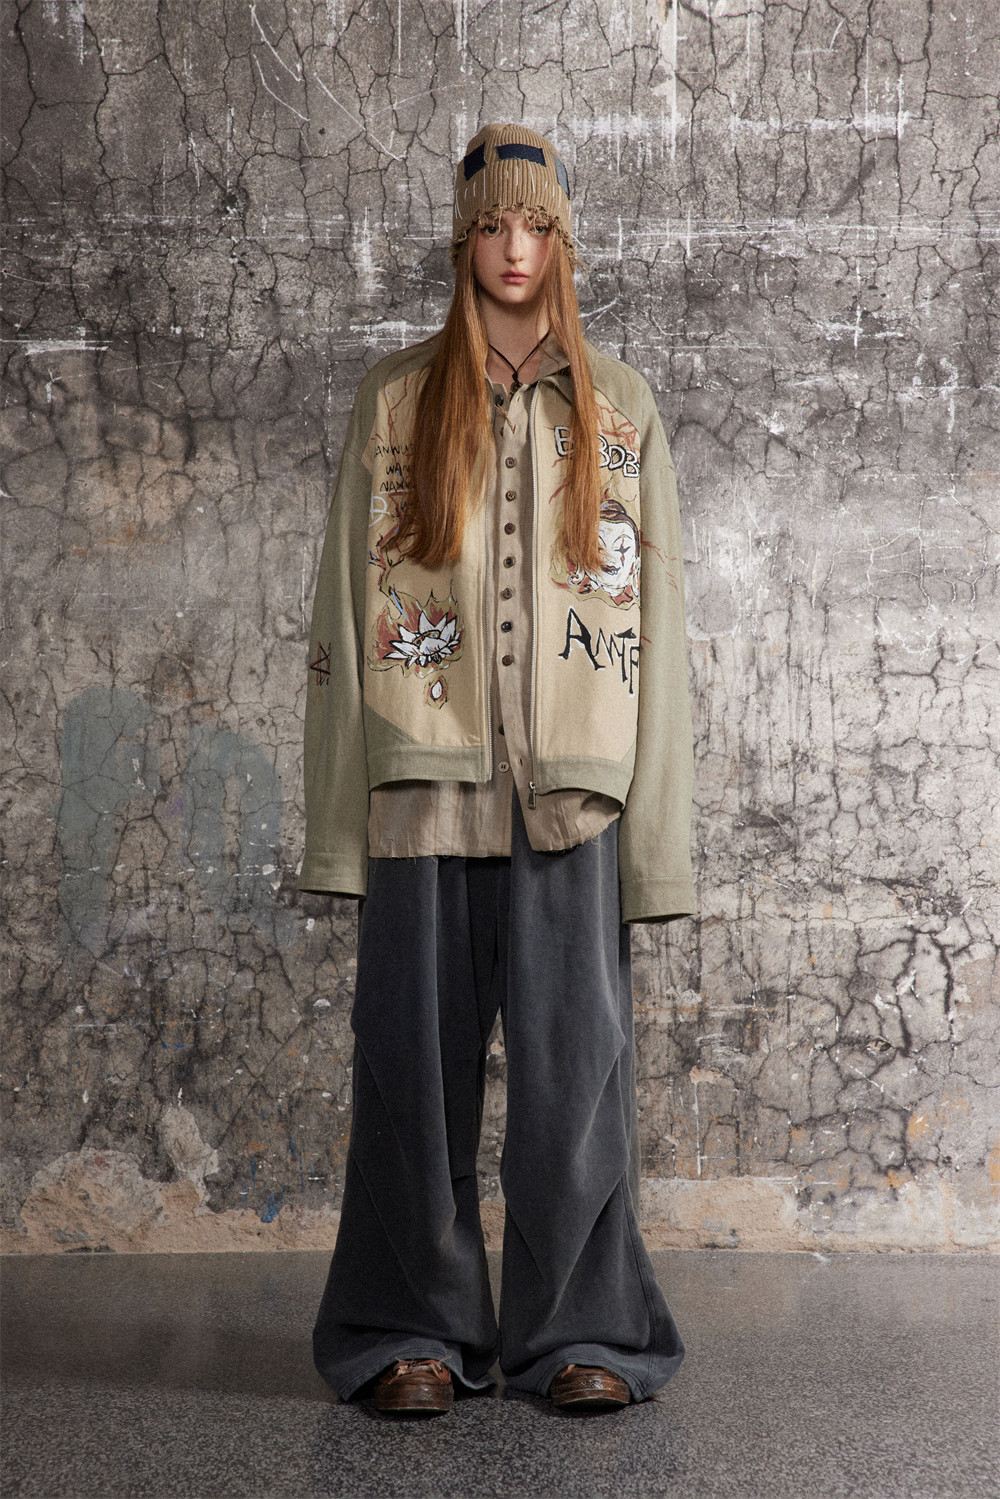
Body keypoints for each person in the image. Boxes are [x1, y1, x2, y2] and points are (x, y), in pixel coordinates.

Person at [299, 123, 694, 1416]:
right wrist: (339, 831)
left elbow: (662, 639)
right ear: (463, 241)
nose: (513, 249)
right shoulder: (396, 403)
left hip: (575, 799)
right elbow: (340, 619)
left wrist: (656, 852)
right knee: (408, 1076)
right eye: (490, 226)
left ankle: (584, 1332)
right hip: (421, 791)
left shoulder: (622, 411)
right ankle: (408, 1328)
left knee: (578, 1080)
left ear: (560, 241)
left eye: (535, 227)